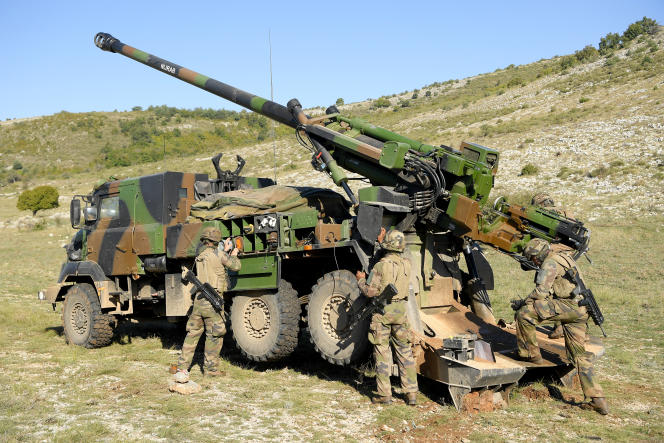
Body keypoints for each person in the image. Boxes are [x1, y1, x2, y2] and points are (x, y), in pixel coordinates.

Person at [512, 238, 608, 415]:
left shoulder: (549, 263)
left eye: (533, 259)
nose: (534, 262)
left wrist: (522, 302)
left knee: (524, 314)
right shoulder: (564, 256)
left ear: (538, 255)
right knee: (579, 355)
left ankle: (530, 355)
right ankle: (598, 399)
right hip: (581, 309)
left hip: (569, 307)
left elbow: (541, 293)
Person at [356, 227, 418, 406]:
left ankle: (385, 395)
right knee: (404, 352)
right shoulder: (407, 263)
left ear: (387, 245)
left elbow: (370, 291)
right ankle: (411, 393)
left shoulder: (380, 265)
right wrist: (383, 242)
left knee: (382, 352)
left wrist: (360, 279)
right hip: (401, 311)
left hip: (383, 312)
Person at [173, 226, 241, 382]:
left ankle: (182, 369)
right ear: (217, 240)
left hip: (199, 299)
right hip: (213, 300)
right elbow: (236, 266)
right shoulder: (219, 254)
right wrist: (234, 253)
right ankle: (211, 370)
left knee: (192, 334)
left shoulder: (200, 255)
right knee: (215, 334)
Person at [531, 192, 574, 339]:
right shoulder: (564, 212)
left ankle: (559, 326)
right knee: (569, 290)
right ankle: (574, 326)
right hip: (569, 256)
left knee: (551, 290)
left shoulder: (542, 214)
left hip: (552, 255)